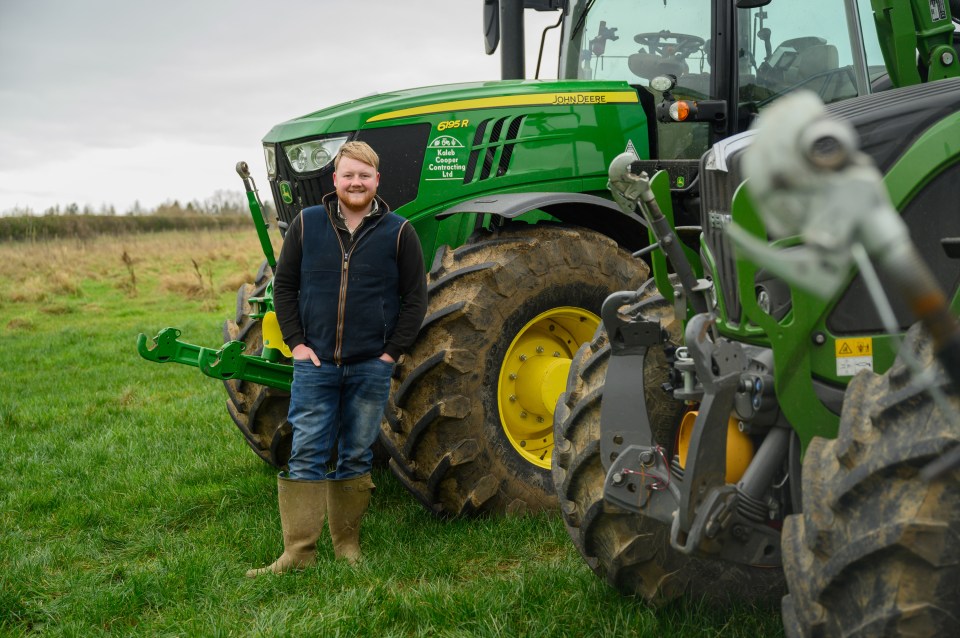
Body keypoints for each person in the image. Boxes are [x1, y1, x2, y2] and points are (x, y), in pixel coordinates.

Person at [247, 141, 427, 576]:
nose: (356, 182)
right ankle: (297, 554)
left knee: (356, 453)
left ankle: (347, 545)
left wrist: (390, 353)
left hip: (371, 365)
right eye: (348, 175)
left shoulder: (399, 231)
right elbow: (284, 288)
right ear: (335, 180)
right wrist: (298, 343)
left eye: (364, 175)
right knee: (307, 450)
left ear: (376, 181)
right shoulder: (307, 226)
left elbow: (416, 297)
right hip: (315, 364)